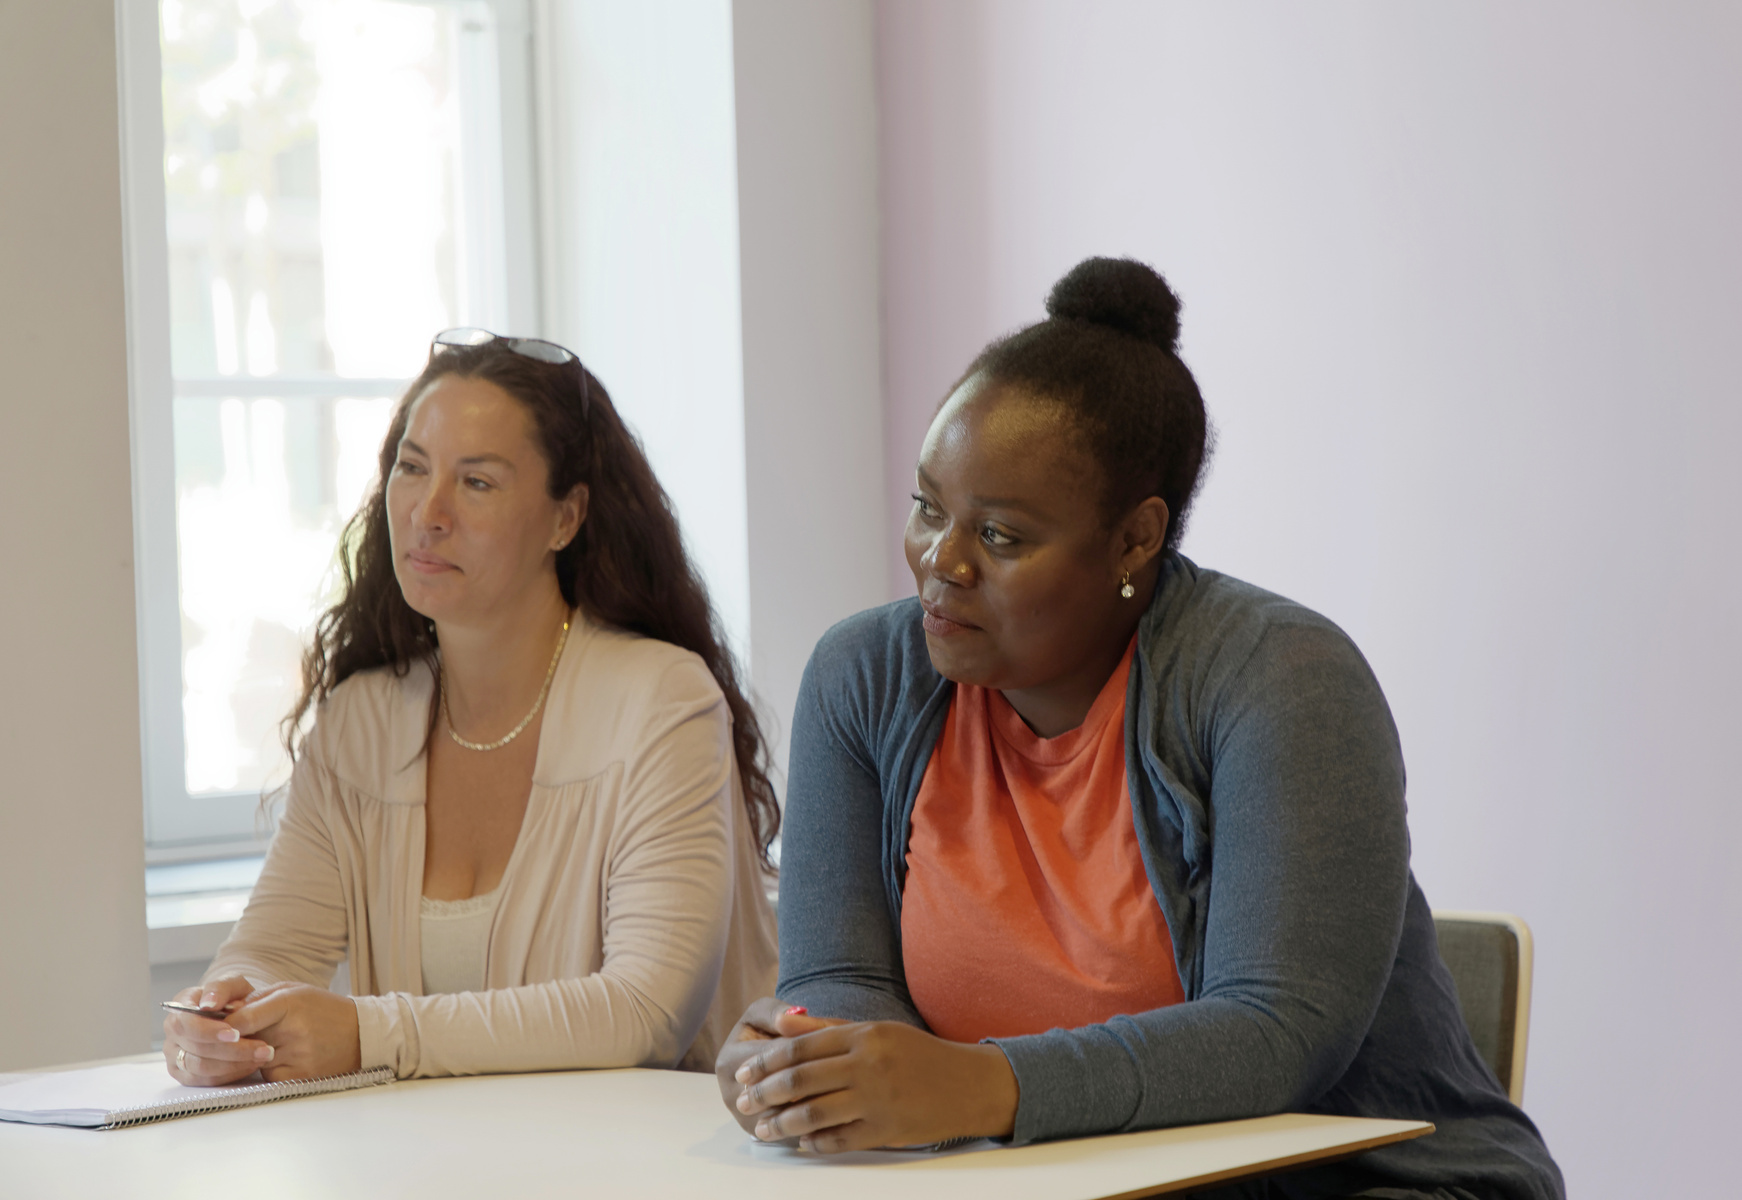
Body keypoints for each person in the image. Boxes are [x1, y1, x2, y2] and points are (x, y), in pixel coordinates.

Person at [718, 259, 1563, 1200]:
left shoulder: (1279, 680)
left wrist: (983, 1085)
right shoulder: (865, 676)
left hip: (1358, 1178)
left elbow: (1274, 1036)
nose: (939, 563)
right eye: (927, 507)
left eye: (999, 536)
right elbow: (838, 977)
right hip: (1026, 1180)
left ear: (1135, 539)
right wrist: (808, 1072)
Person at [162, 329, 778, 1084]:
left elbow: (646, 1012)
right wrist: (221, 1016)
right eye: (412, 469)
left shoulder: (662, 702)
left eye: (477, 482)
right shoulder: (361, 721)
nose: (428, 511)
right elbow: (270, 952)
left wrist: (370, 1033)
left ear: (566, 518)